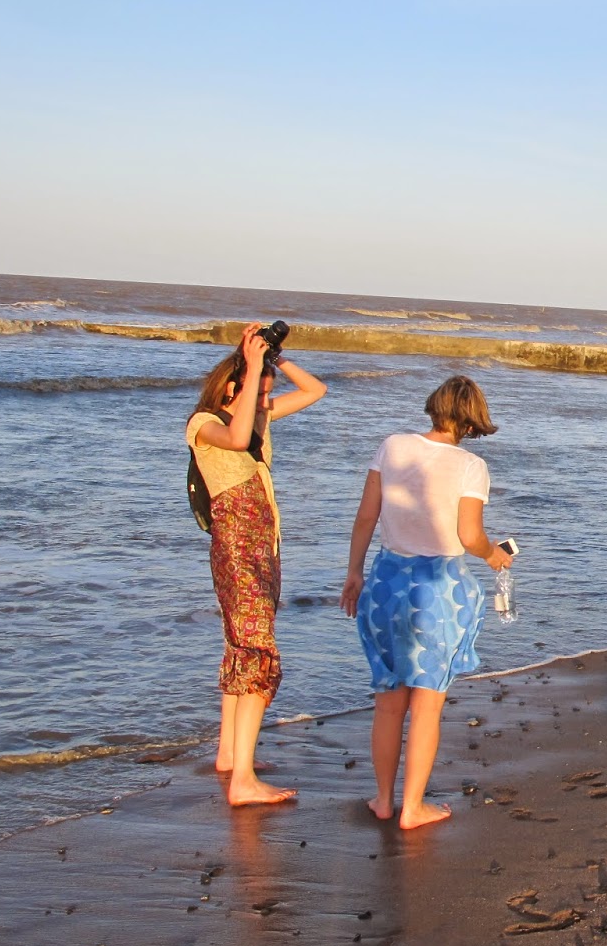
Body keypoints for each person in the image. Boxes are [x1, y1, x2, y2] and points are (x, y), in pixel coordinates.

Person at [340, 376, 514, 830]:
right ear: (473, 420)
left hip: (384, 580)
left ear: (434, 407)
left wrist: (354, 572)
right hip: (435, 590)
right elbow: (469, 536)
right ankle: (412, 808)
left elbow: (366, 516)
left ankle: (382, 799)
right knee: (427, 702)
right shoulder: (470, 466)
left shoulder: (393, 446)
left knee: (388, 699)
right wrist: (494, 554)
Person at [187, 326, 327, 806]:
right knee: (257, 654)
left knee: (239, 647)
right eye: (257, 390)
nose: (267, 398)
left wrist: (278, 358)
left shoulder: (257, 417)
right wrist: (250, 371)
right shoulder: (204, 424)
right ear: (233, 386)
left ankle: (230, 755)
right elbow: (237, 434)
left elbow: (315, 391)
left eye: (267, 391)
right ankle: (243, 782)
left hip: (264, 549)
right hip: (237, 552)